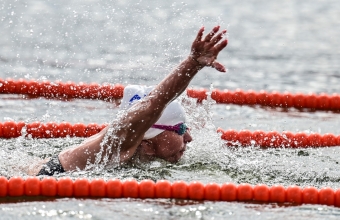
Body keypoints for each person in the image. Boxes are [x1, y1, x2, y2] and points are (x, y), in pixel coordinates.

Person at [32, 25, 228, 176]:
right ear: (147, 143)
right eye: (180, 129)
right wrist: (192, 64)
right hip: (50, 177)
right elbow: (155, 102)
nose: (189, 138)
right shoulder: (122, 141)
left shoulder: (129, 145)